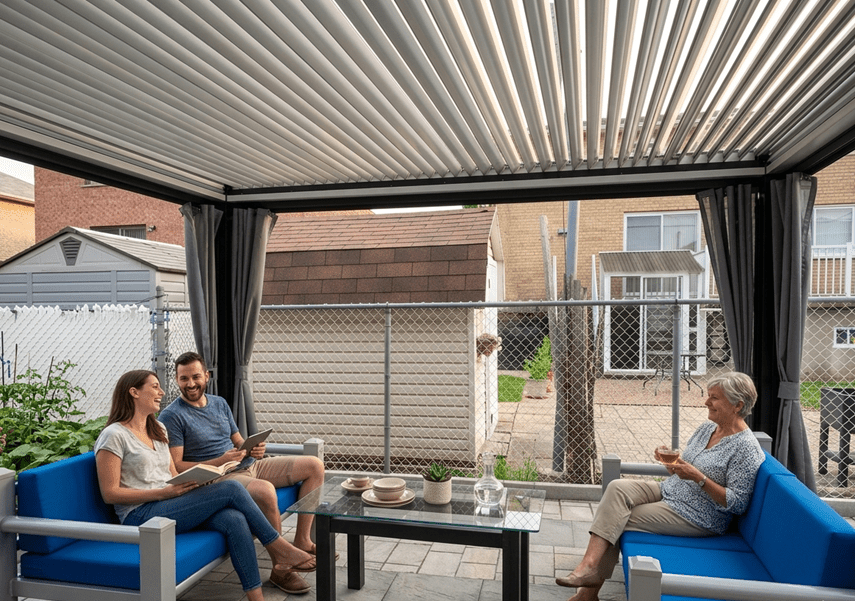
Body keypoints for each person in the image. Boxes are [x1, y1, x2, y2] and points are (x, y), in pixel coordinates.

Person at [94, 370, 316, 598]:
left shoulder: (158, 429)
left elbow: (172, 473)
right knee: (231, 488)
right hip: (140, 514)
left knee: (234, 519)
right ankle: (280, 549)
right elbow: (110, 494)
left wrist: (195, 481)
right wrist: (164, 493)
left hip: (169, 504)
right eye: (155, 387)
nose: (162, 392)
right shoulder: (114, 435)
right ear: (134, 392)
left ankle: (256, 597)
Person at [556, 371, 765, 601]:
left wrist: (698, 478)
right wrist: (671, 463)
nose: (706, 402)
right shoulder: (708, 429)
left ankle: (587, 589)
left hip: (697, 515)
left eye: (714, 398)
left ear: (738, 405)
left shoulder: (746, 448)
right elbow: (687, 467)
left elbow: (738, 503)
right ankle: (588, 568)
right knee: (617, 488)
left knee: (618, 518)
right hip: (671, 490)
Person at [158, 352, 325, 556]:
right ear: (177, 379)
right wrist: (221, 460)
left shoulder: (219, 403)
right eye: (184, 378)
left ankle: (302, 540)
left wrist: (254, 448)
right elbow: (177, 466)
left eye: (195, 377)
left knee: (314, 466)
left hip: (248, 465)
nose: (190, 384)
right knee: (265, 490)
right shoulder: (172, 416)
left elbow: (238, 442)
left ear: (206, 376)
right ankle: (282, 562)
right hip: (219, 477)